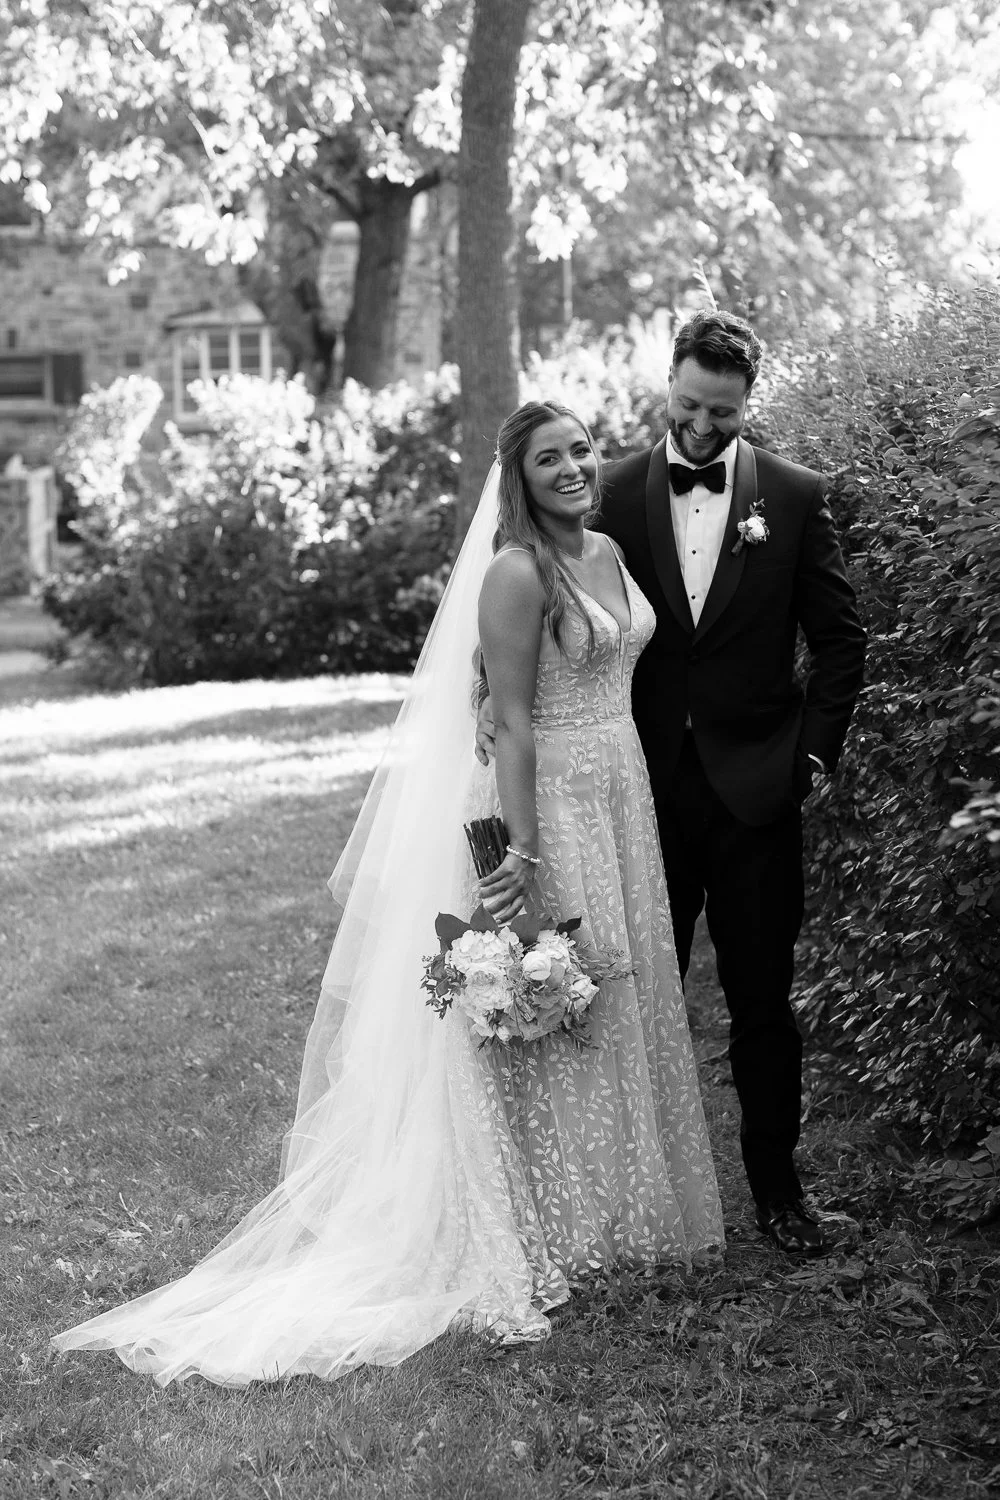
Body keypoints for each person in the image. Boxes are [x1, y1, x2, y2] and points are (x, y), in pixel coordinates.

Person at [51, 401, 723, 1388]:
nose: (574, 467)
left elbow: (621, 670)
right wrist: (524, 859)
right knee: (540, 998)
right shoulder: (514, 572)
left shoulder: (610, 551)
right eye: (550, 459)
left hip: (618, 789)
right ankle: (533, 1221)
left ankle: (612, 1209)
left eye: (582, 449)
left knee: (607, 992)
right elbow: (514, 720)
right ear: (519, 477)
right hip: (544, 804)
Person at [480, 312, 867, 1257]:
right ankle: (612, 1190)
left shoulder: (796, 495)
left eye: (722, 415)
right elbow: (526, 645)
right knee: (627, 990)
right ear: (669, 383)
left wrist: (809, 761)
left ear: (749, 404)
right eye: (688, 405)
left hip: (757, 797)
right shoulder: (599, 495)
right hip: (629, 801)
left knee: (763, 1000)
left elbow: (842, 640)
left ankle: (779, 1194)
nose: (700, 428)